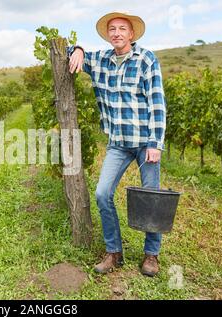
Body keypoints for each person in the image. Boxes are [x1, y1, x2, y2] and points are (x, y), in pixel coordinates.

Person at [68, 12, 166, 277]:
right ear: (108, 34)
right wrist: (77, 48)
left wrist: (155, 143)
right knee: (102, 193)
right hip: (118, 143)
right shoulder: (100, 60)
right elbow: (67, 52)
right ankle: (114, 253)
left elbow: (157, 103)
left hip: (145, 143)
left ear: (131, 34)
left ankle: (151, 255)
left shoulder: (146, 59)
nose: (117, 33)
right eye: (112, 29)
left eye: (123, 29)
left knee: (151, 199)